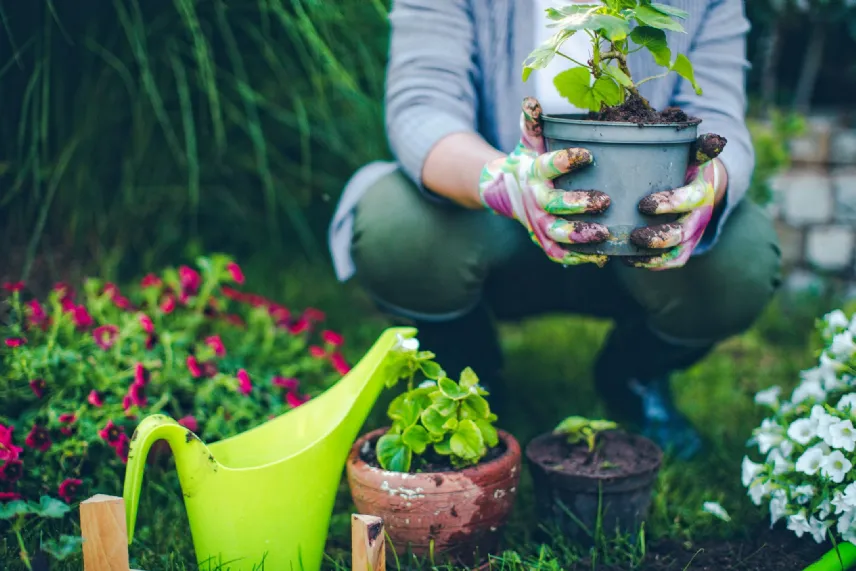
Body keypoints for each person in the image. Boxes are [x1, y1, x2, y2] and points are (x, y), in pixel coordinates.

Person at [327, 0, 782, 460]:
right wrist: (505, 182)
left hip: (641, 223)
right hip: (488, 222)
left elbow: (717, 112)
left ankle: (633, 372)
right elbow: (422, 107)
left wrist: (708, 184)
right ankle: (467, 369)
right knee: (395, 226)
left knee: (741, 260)